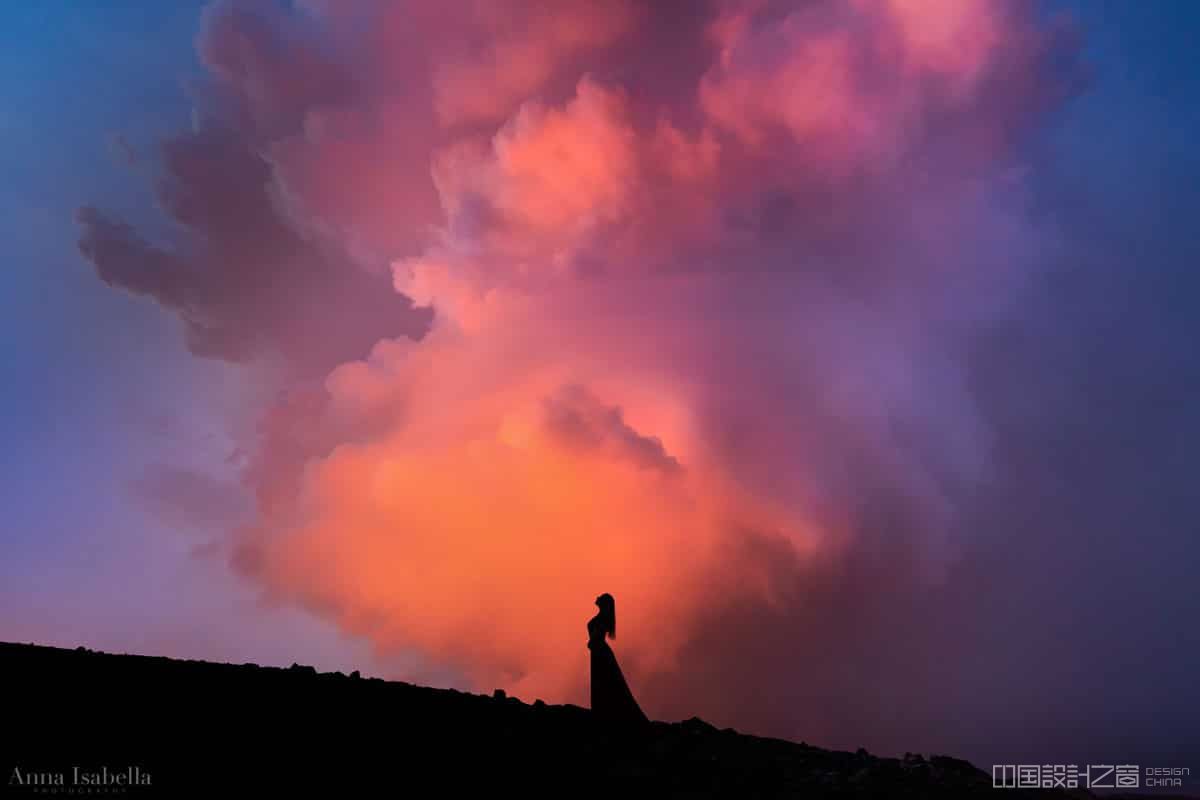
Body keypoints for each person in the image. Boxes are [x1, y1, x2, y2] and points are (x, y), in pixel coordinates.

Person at [587, 593, 649, 728]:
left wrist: (592, 641)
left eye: (600, 598)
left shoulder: (602, 618)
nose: (597, 598)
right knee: (603, 680)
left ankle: (605, 710)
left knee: (603, 680)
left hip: (600, 651)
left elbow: (597, 635)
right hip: (599, 651)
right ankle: (602, 709)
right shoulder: (603, 617)